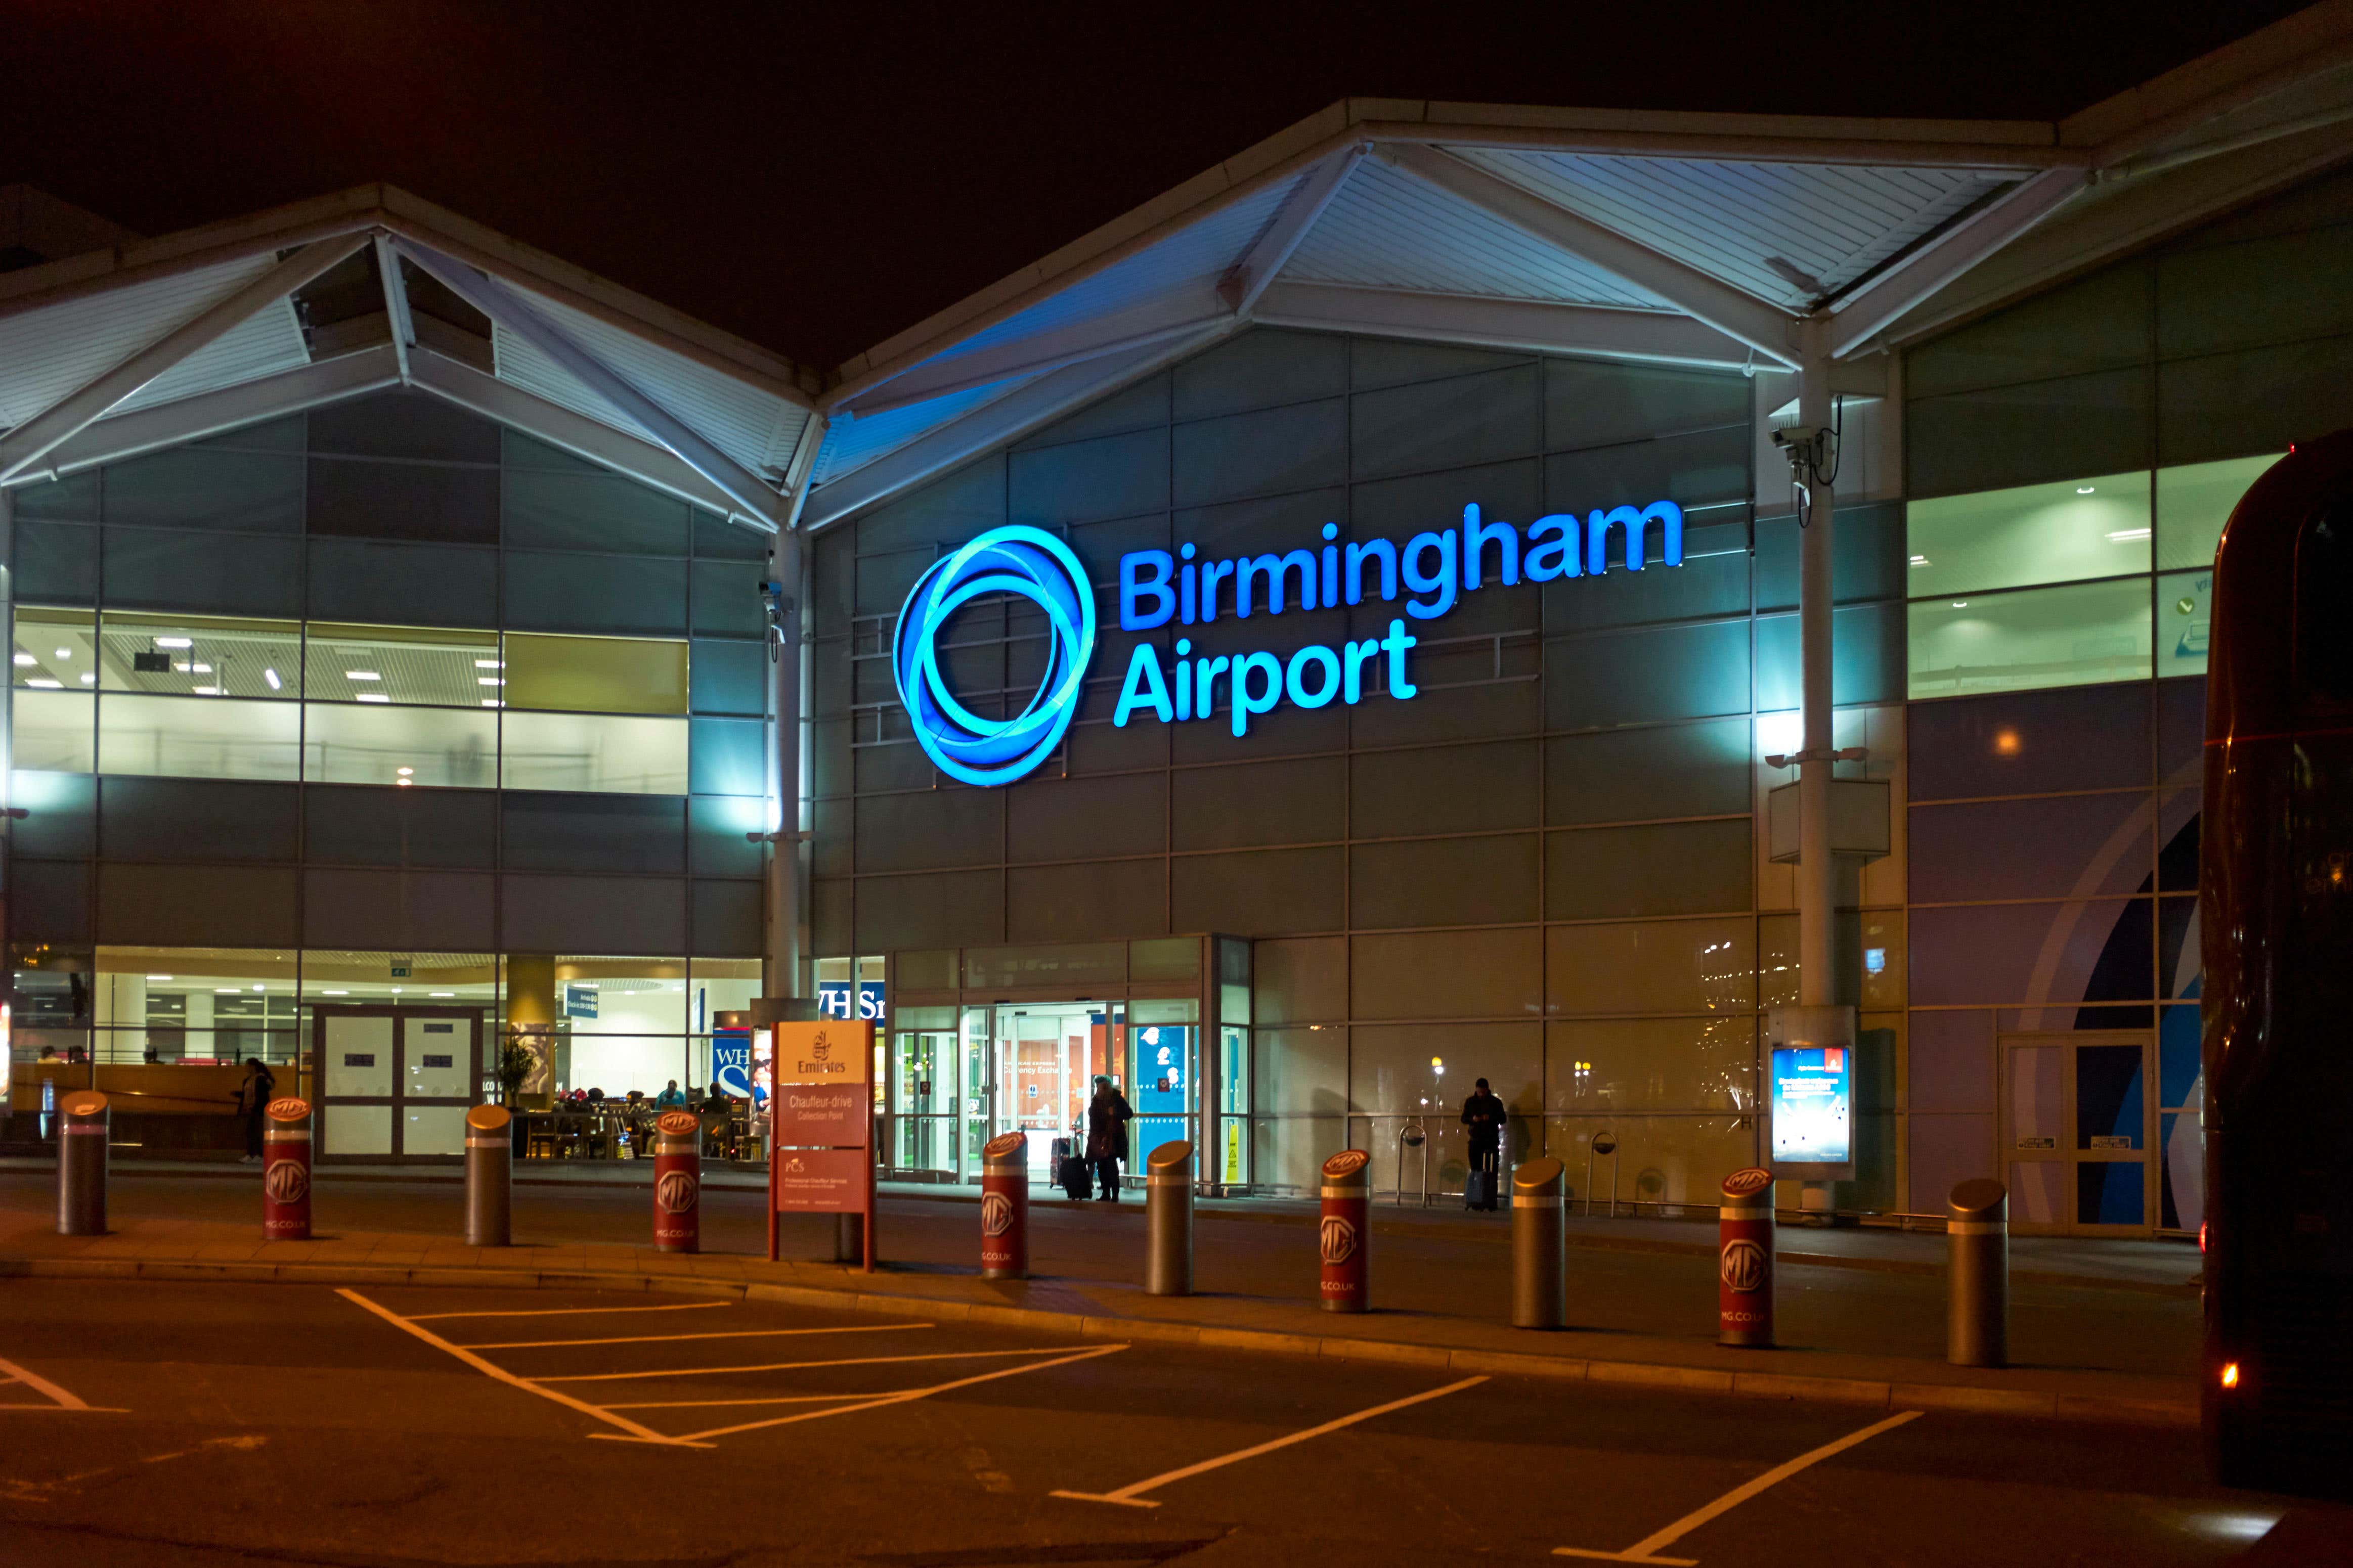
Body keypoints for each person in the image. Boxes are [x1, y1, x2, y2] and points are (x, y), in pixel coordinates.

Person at [1084, 1074, 1134, 1202]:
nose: (1100, 1089)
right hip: (1101, 1138)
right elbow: (1093, 1119)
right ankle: (1107, 1193)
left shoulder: (1115, 1099)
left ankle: (1114, 1194)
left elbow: (1129, 1113)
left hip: (1113, 1137)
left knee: (1110, 1166)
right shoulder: (1097, 1100)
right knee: (1103, 1166)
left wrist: (1114, 1113)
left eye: (1100, 1086)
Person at [1460, 1077, 1507, 1212]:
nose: (1481, 1094)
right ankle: (1477, 1199)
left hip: (1490, 1139)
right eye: (1479, 1092)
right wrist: (1473, 1119)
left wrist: (1490, 1118)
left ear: (1487, 1090)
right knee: (1476, 1169)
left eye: (1483, 1092)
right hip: (1476, 1139)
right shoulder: (1471, 1102)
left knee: (1491, 1171)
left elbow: (1503, 1119)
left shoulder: (1495, 1102)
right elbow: (1464, 1118)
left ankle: (1490, 1201)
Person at [235, 1057, 277, 1164]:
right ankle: (251, 1154)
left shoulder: (261, 1079)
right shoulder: (248, 1080)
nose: (245, 1067)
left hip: (258, 1110)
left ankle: (259, 1155)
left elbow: (262, 1095)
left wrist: (257, 1107)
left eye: (247, 1065)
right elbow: (248, 1095)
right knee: (250, 1133)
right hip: (249, 1110)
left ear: (253, 1067)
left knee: (257, 1133)